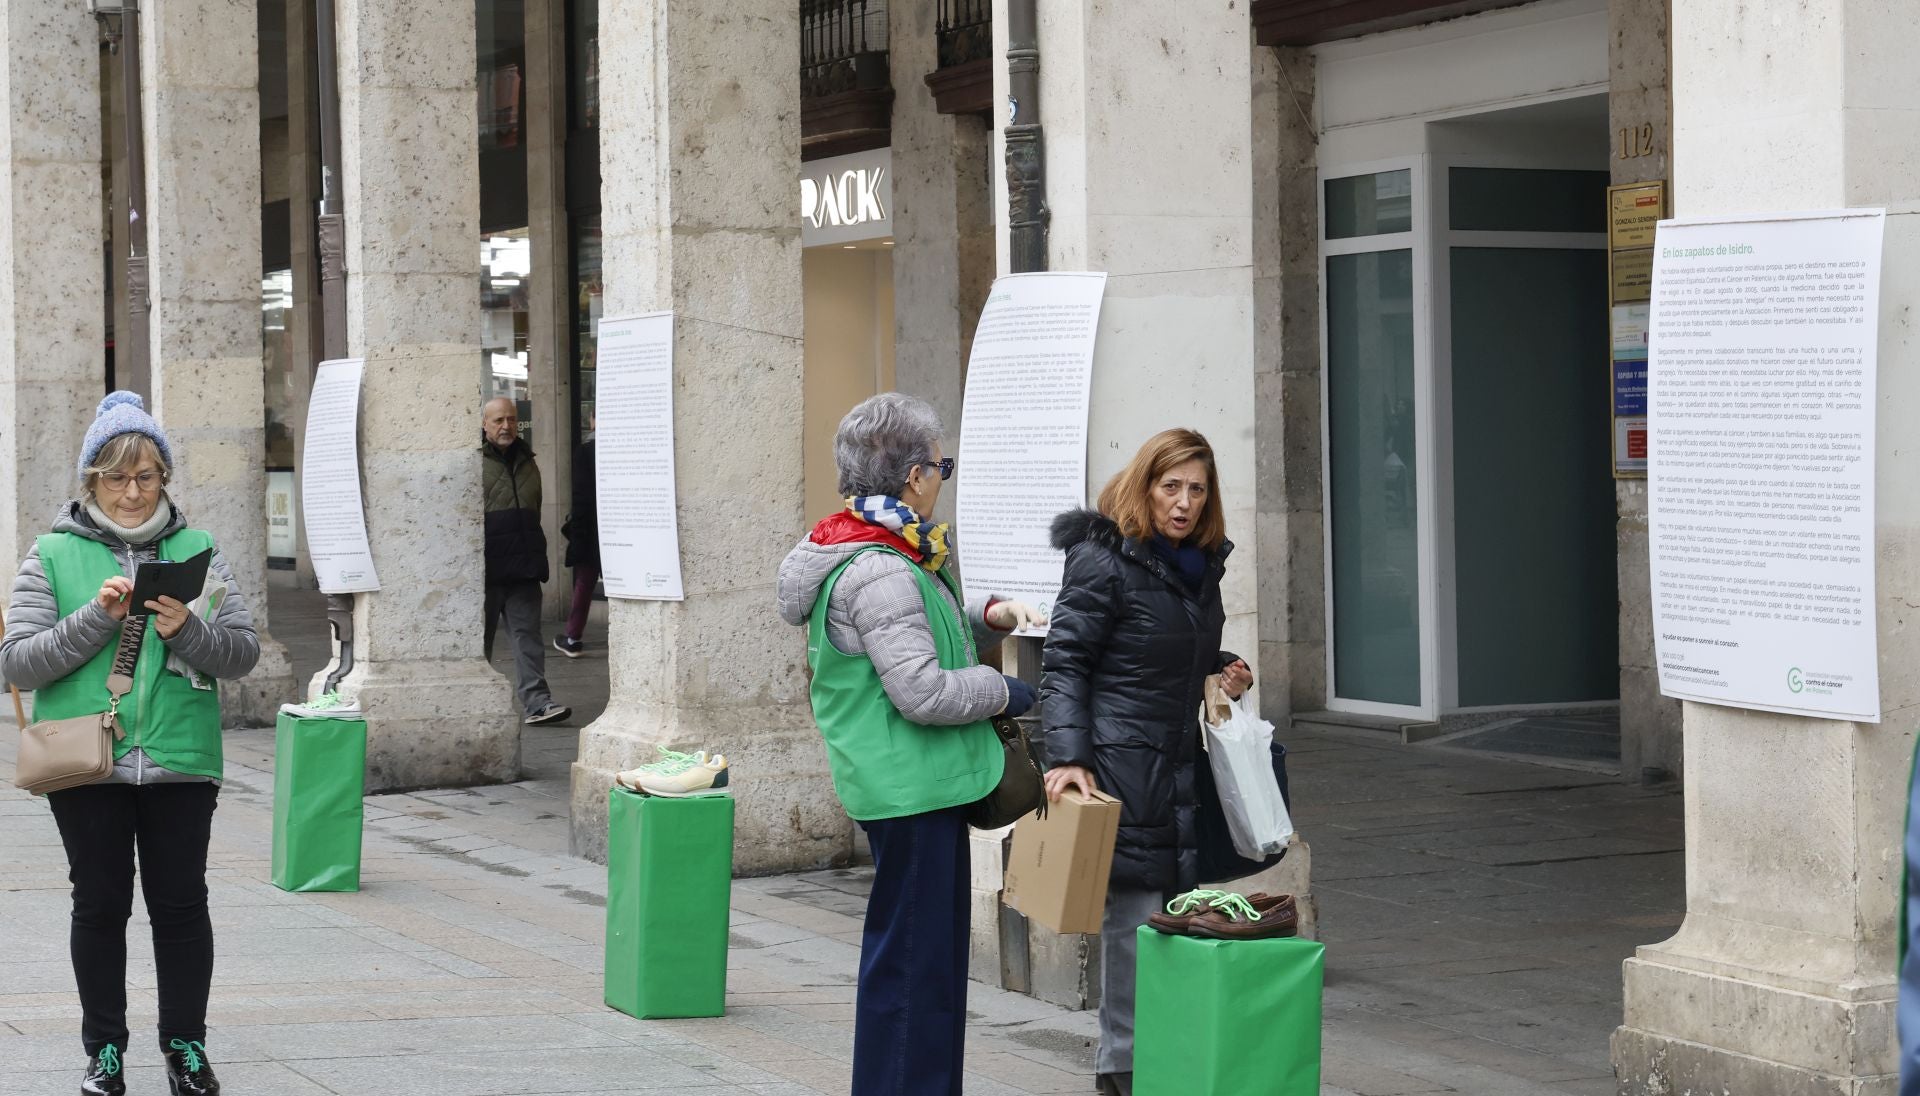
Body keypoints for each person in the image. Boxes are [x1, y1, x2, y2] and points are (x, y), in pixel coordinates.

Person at [777, 392, 1046, 1096]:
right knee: (915, 971)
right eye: (940, 465)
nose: (940, 479)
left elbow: (914, 629)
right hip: (912, 791)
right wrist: (1008, 694)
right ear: (912, 476)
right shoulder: (882, 566)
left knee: (915, 964)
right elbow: (922, 691)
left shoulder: (878, 548)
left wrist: (987, 617)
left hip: (907, 785)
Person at [1, 392, 261, 1096]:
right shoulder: (53, 553)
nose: (131, 491)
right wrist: (94, 619)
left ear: (164, 478)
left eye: (146, 475)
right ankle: (105, 1052)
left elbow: (241, 655)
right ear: (91, 480)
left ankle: (185, 1047)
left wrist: (188, 631)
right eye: (116, 476)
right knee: (99, 905)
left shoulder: (198, 551)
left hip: (182, 761)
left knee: (181, 907)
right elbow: (15, 663)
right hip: (87, 761)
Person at [1036, 428, 1258, 1096]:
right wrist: (1069, 757)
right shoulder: (1104, 558)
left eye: (1196, 489)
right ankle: (1122, 1069)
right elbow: (1065, 661)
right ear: (1145, 485)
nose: (1184, 503)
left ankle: (1160, 1060)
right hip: (1119, 765)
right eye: (1171, 487)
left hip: (1177, 766)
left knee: (1170, 921)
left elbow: (1159, 648)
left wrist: (1221, 667)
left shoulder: (1198, 567)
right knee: (1131, 924)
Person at [481, 397, 570, 725]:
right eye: (499, 420)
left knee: (529, 638)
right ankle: (478, 702)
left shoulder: (528, 460)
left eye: (512, 420)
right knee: (480, 643)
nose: (507, 426)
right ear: (484, 424)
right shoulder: (473, 461)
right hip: (486, 572)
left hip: (523, 567)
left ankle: (538, 704)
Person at [554, 415, 597, 658]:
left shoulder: (585, 452)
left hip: (590, 531)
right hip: (619, 528)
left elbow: (581, 498)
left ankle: (573, 637)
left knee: (584, 584)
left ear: (593, 420)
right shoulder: (623, 449)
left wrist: (577, 533)